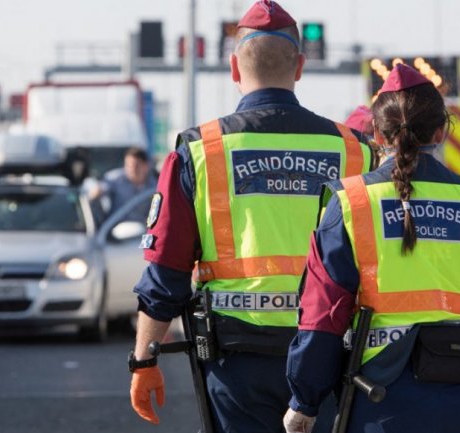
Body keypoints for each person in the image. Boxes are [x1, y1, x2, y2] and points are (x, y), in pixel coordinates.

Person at [128, 1, 374, 432]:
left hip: (236, 362)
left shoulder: (200, 151)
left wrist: (144, 357)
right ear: (299, 66)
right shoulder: (355, 150)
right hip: (332, 357)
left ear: (234, 69)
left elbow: (166, 270)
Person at [284, 64, 460, 433]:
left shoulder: (352, 202)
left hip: (379, 399)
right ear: (441, 132)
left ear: (375, 132)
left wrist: (304, 401)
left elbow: (324, 315)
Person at [88, 147, 157, 223]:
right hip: (114, 229)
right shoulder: (116, 179)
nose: (131, 169)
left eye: (135, 166)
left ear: (146, 166)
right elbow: (99, 189)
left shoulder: (154, 185)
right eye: (128, 165)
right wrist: (97, 191)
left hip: (142, 230)